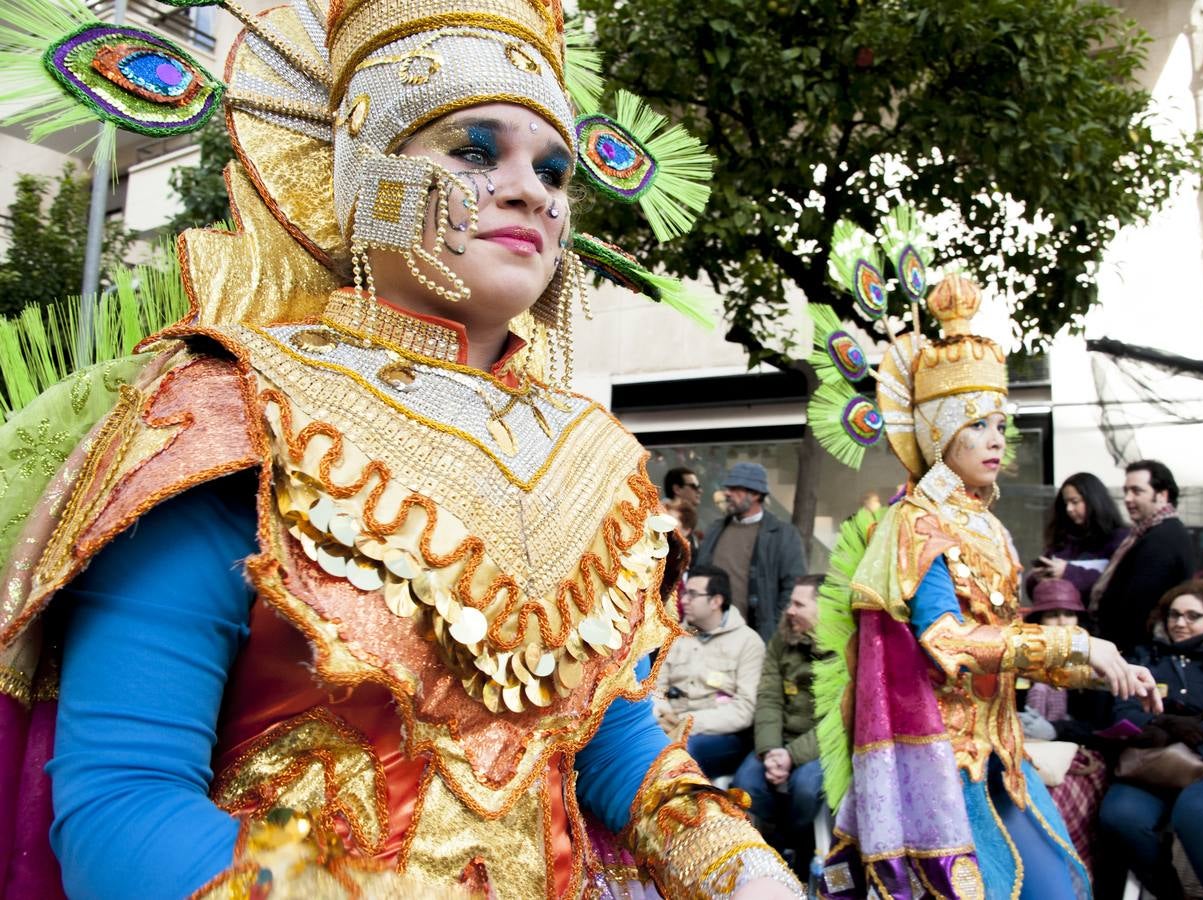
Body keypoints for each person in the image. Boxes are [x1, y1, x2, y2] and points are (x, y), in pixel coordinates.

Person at [0, 2, 802, 897]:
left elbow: (611, 748)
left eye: (553, 169)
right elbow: (124, 798)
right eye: (472, 149)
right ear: (361, 174)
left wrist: (734, 864)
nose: (531, 190)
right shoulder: (232, 417)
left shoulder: (596, 467)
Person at [816, 273, 1160, 898]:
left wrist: (1106, 666)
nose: (996, 439)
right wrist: (1078, 648)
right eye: (976, 425)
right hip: (942, 768)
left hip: (1001, 751)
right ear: (939, 433)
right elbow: (947, 639)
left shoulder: (991, 527)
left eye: (1001, 424)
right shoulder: (916, 521)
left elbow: (1007, 641)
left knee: (1061, 886)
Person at [1098, 580, 1203, 900]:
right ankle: (1171, 893)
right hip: (1151, 766)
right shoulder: (1144, 657)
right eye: (1173, 615)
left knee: (1195, 813)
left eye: (1192, 616)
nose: (1179, 622)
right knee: (1120, 816)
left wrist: (1195, 735)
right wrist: (1169, 728)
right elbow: (1125, 715)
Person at [733, 575, 832, 880]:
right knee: (744, 785)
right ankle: (773, 847)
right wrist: (770, 749)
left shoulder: (846, 650)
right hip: (779, 740)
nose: (789, 610)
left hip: (821, 747)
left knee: (805, 788)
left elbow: (838, 722)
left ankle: (798, 847)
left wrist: (791, 757)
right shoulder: (782, 641)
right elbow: (769, 698)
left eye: (798, 604)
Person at [1016, 580, 1114, 875]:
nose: (1062, 622)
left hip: (1081, 761)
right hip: (1025, 756)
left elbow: (1102, 727)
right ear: (1039, 622)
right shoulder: (1021, 662)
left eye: (1069, 614)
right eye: (1053, 614)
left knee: (1052, 808)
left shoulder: (1097, 664)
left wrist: (1057, 730)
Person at [655, 566, 767, 779]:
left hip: (720, 735)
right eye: (685, 592)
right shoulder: (678, 634)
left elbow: (744, 709)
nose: (684, 599)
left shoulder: (748, 642)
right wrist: (662, 711)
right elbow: (656, 685)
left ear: (716, 601)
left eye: (693, 594)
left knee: (680, 753)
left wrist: (686, 722)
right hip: (668, 722)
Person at [695, 462, 807, 642]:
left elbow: (793, 587)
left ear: (755, 494)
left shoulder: (782, 534)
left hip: (756, 637)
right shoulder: (715, 530)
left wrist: (774, 629)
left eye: (735, 489)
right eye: (728, 488)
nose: (727, 493)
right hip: (710, 635)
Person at [1093, 459, 1197, 652]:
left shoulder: (1163, 539)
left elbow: (1138, 606)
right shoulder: (1148, 534)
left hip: (1141, 653)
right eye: (1126, 491)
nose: (1128, 499)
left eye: (1137, 491)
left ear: (1162, 495)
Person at [1025, 472, 1129, 608]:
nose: (1069, 509)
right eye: (1066, 503)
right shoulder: (1062, 540)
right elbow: (1035, 591)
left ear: (1094, 501)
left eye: (1075, 502)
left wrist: (1068, 573)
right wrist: (1037, 579)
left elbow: (1120, 584)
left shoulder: (1120, 539)